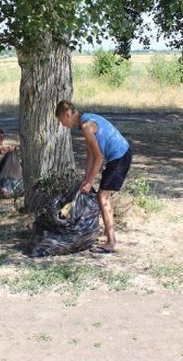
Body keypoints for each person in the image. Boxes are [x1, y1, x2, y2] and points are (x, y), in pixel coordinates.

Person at [55, 100, 132, 253]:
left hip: (120, 156)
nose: (62, 124)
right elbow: (91, 153)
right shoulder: (87, 120)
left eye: (60, 120)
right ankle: (109, 233)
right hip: (121, 155)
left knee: (102, 196)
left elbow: (99, 157)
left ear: (68, 114)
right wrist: (86, 179)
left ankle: (111, 242)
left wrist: (90, 182)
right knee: (105, 196)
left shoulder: (86, 126)